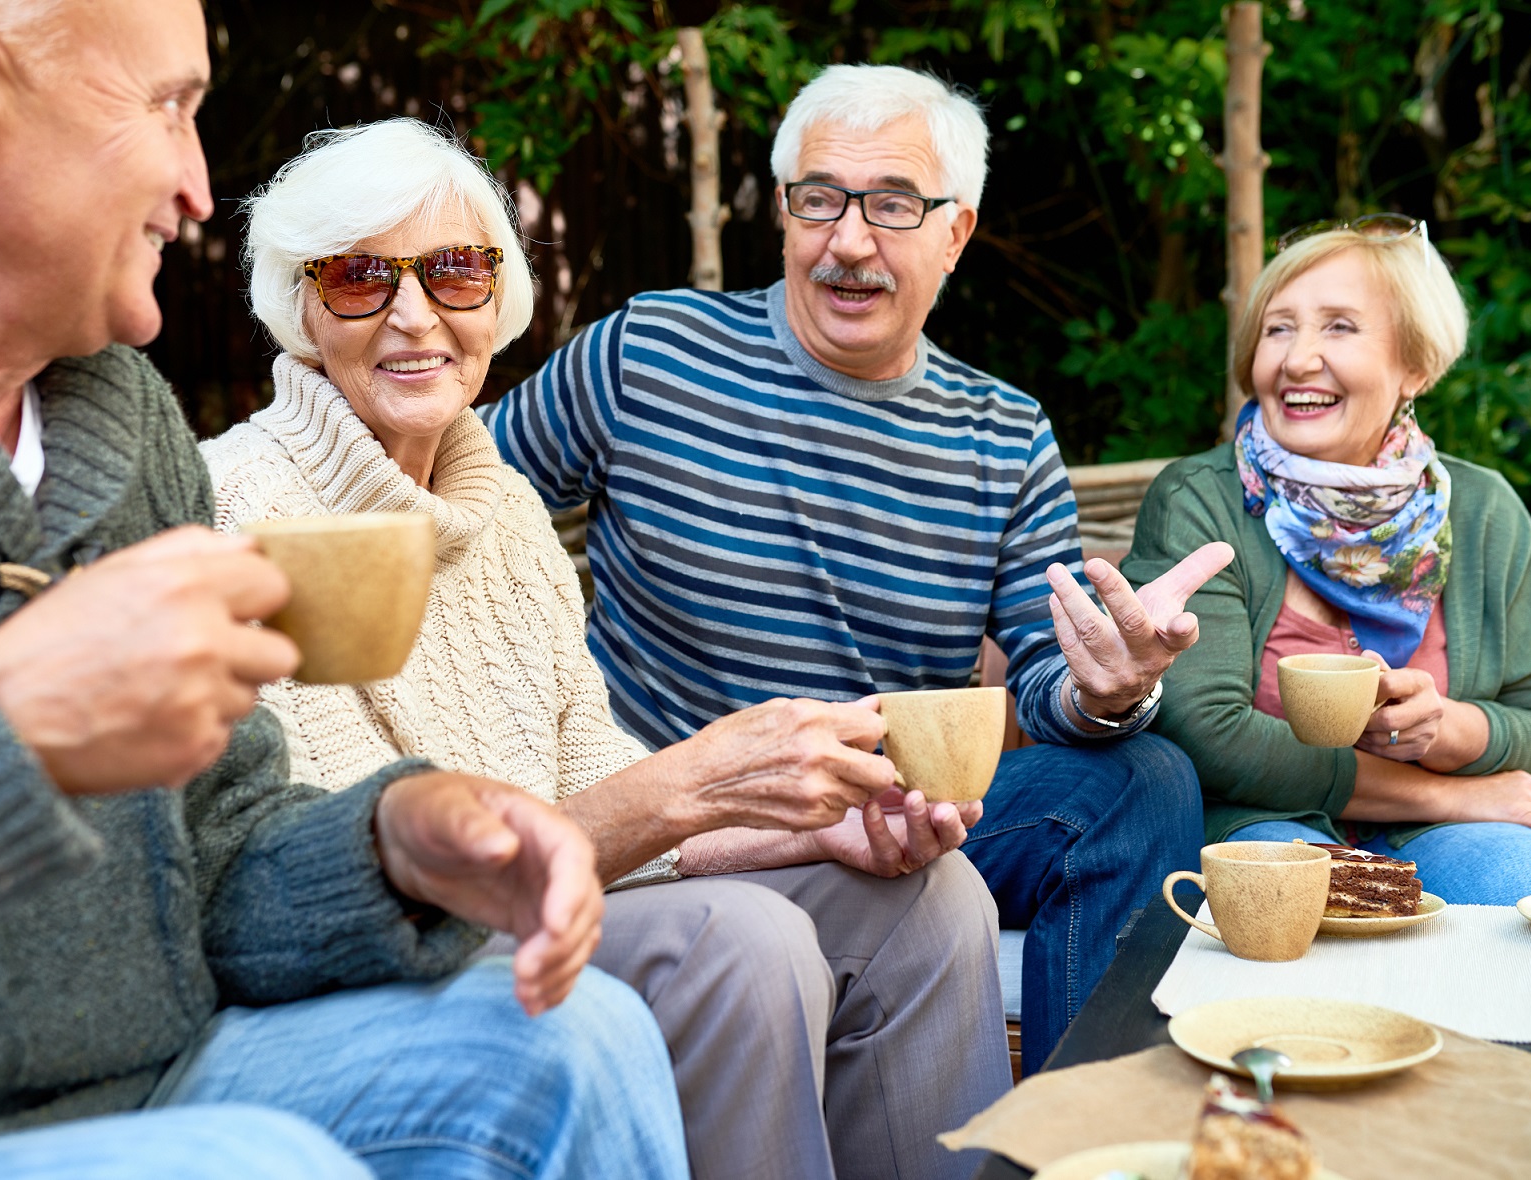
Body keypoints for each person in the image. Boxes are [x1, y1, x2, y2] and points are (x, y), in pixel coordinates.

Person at [0, 1, 690, 1177]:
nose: (199, 187)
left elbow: (223, 845)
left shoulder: (123, 418)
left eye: (454, 272)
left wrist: (394, 840)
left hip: (167, 1072)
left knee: (576, 1036)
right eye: (170, 108)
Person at [203, 116, 1008, 1180]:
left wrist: (808, 831)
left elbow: (597, 785)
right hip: (402, 949)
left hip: (557, 897)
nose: (414, 317)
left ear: (496, 295)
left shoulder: (506, 511)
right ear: (300, 304)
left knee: (930, 896)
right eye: (358, 277)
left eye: (454, 271)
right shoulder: (232, 506)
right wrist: (695, 783)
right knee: (739, 944)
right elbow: (351, 871)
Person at [482, 62, 1234, 1074]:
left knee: (1145, 776)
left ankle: (1077, 1145)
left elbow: (1054, 682)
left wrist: (1111, 686)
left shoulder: (1004, 433)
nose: (848, 241)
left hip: (889, 809)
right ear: (786, 212)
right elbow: (454, 489)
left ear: (955, 234)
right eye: (820, 200)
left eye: (891, 205)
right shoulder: (649, 356)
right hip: (678, 811)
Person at [1123, 215, 1531, 903]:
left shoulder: (1484, 509)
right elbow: (1207, 734)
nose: (1296, 359)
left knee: (1529, 877)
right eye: (1277, 328)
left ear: (1417, 365)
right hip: (1265, 828)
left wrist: (1444, 728)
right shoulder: (1200, 500)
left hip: (1434, 841)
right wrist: (1448, 798)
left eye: (1338, 327)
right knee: (1314, 895)